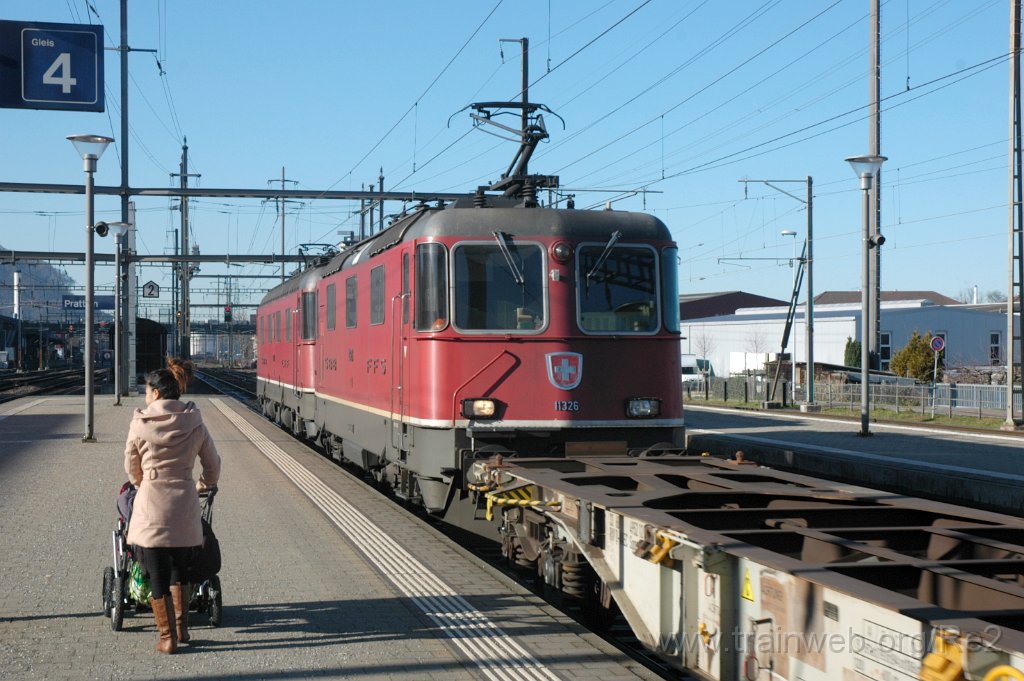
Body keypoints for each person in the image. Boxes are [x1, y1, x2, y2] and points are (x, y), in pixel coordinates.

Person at [124, 357, 221, 653]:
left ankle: (167, 639)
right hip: (184, 505)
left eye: (146, 391)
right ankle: (182, 629)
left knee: (158, 575)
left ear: (155, 393)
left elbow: (131, 467)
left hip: (151, 505)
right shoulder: (195, 422)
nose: (145, 396)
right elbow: (213, 465)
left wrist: (143, 484)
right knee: (181, 570)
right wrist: (201, 484)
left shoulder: (140, 424)